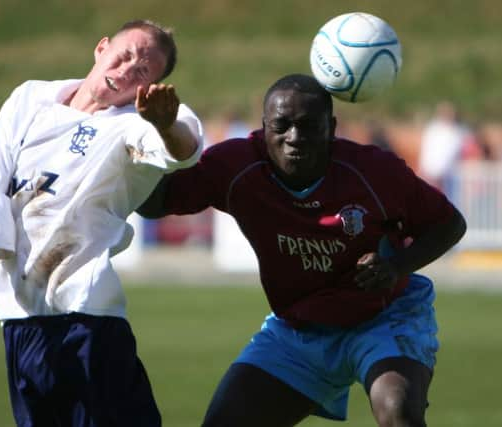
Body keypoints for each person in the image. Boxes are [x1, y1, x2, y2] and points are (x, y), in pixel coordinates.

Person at [138, 74, 466, 426]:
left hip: (384, 319)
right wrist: (162, 132)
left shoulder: (374, 170)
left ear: (332, 128)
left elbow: (449, 224)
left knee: (397, 409)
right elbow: (153, 204)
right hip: (298, 330)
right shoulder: (236, 166)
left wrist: (396, 265)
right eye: (281, 125)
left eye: (309, 126)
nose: (294, 137)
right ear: (264, 127)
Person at [0, 19, 203, 427]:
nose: (127, 70)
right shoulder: (30, 98)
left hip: (89, 318)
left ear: (149, 88)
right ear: (101, 48)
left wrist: (164, 123)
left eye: (142, 71)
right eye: (124, 55)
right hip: (22, 319)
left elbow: (184, 149)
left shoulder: (138, 121)